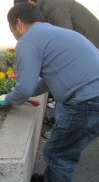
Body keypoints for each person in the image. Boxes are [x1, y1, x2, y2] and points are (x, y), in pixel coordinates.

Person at [0, 3, 99, 182]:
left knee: (59, 155)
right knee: (64, 148)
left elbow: (23, 89)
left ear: (19, 23)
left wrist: (7, 100)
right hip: (92, 95)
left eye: (11, 28)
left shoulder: (28, 41)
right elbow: (43, 83)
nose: (13, 34)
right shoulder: (54, 32)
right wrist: (18, 92)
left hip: (87, 101)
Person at [14, 0, 99, 140]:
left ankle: (61, 129)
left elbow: (63, 55)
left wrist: (12, 97)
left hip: (92, 53)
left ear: (30, 2)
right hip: (91, 54)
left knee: (59, 152)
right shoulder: (46, 9)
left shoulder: (53, 5)